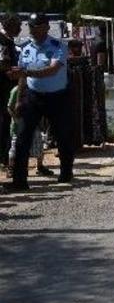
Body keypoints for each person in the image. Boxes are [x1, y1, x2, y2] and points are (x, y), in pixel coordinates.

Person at [4, 13, 75, 191]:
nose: (33, 30)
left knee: (63, 136)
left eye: (36, 27)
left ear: (46, 27)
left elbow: (52, 70)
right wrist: (19, 98)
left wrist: (27, 73)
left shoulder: (58, 46)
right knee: (22, 137)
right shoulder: (26, 48)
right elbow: (21, 77)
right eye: (31, 27)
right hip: (33, 96)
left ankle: (66, 171)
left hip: (57, 97)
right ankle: (19, 181)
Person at [7, 85, 50, 176]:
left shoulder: (35, 89)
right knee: (14, 150)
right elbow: (10, 107)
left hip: (34, 124)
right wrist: (17, 120)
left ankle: (40, 166)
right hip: (18, 126)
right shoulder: (16, 90)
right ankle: (11, 168)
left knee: (39, 147)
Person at [0, 13, 21, 176]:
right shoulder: (3, 41)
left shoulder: (8, 41)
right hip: (4, 91)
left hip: (9, 89)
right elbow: (4, 65)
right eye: (17, 25)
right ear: (8, 26)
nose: (20, 28)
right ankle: (5, 161)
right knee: (5, 125)